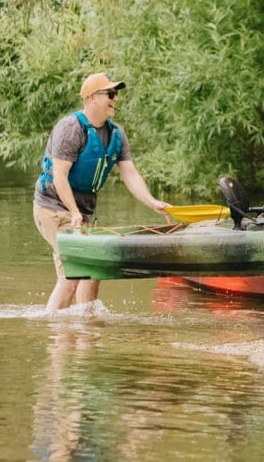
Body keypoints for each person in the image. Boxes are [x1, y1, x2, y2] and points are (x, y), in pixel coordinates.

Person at [33, 72, 171, 311]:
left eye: (115, 94)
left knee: (93, 269)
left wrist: (152, 202)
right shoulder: (71, 128)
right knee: (72, 275)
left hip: (83, 211)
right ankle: (56, 335)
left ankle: (86, 334)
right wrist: (74, 211)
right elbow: (59, 176)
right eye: (110, 94)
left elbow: (130, 173)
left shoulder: (116, 134)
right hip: (53, 208)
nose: (115, 99)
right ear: (91, 98)